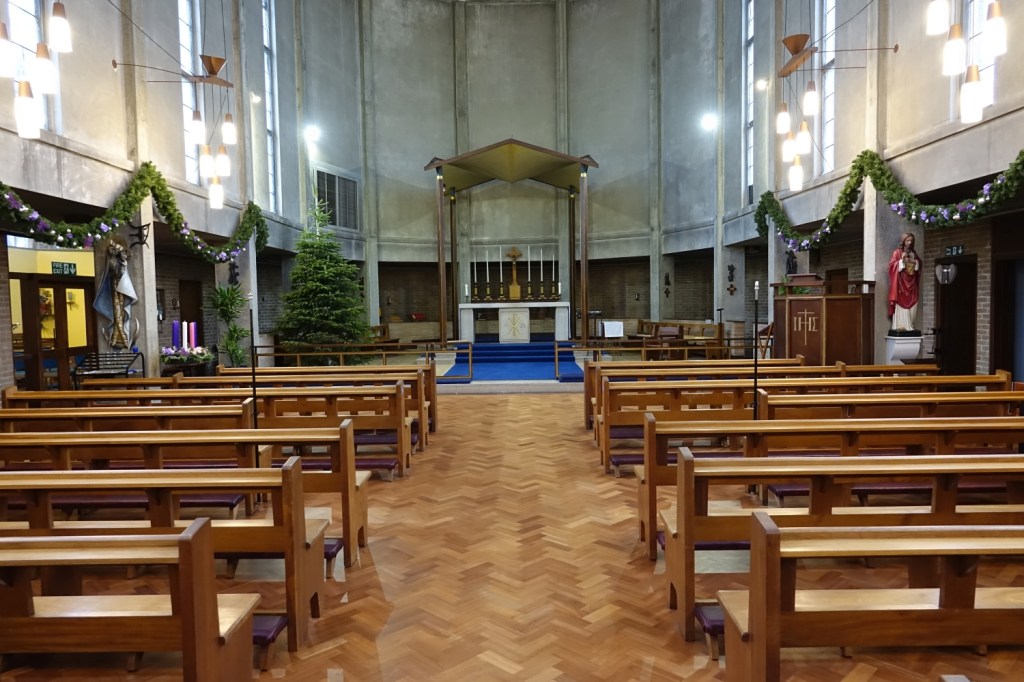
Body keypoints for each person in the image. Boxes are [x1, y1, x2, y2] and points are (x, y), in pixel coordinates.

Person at [887, 232, 920, 331]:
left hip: (912, 283)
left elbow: (919, 264)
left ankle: (910, 325)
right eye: (907, 240)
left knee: (913, 305)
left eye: (911, 241)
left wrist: (915, 262)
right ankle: (901, 325)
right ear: (903, 241)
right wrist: (901, 261)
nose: (909, 243)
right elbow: (892, 266)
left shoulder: (914, 253)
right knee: (901, 304)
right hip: (901, 283)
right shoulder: (897, 252)